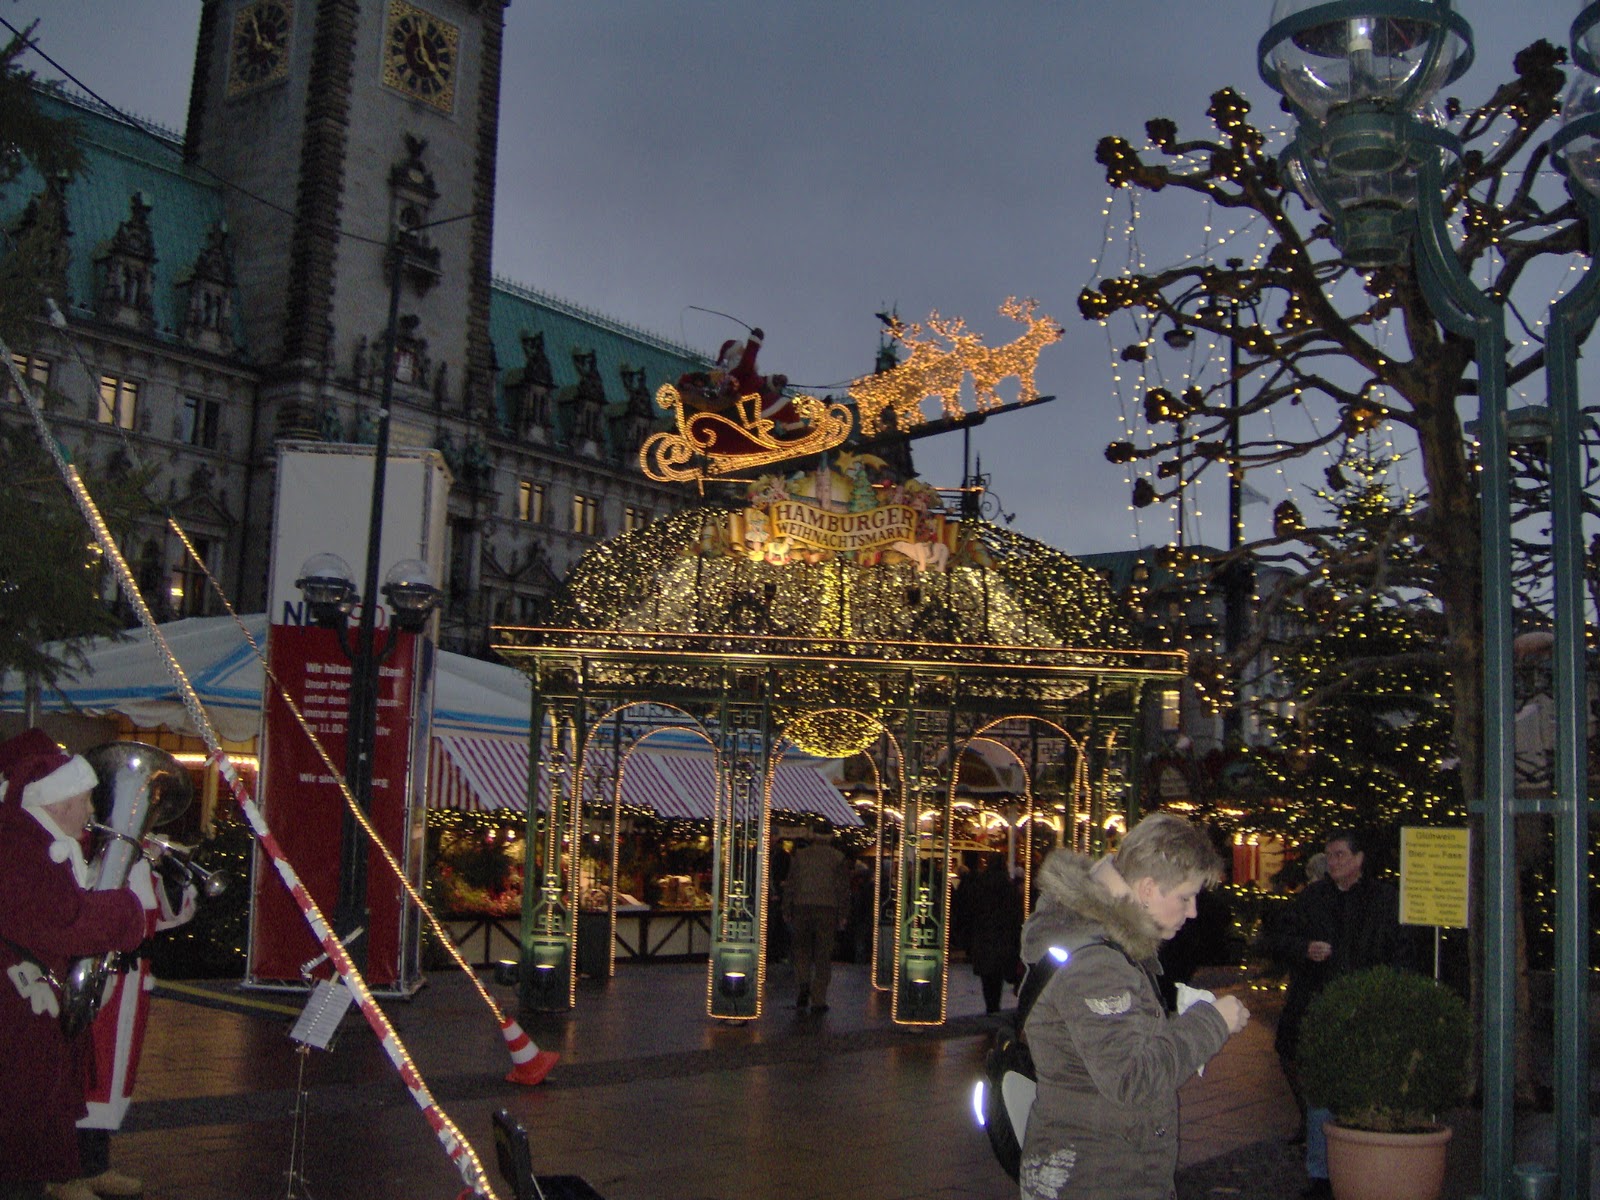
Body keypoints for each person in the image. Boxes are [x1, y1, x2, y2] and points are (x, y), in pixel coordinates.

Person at [1017, 811, 1250, 1200]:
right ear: (1146, 889)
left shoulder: (1097, 934)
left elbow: (1114, 1041)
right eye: (1185, 897)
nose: (1192, 912)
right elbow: (1131, 1078)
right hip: (1099, 1174)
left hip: (1094, 1162)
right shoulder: (1097, 962)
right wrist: (1212, 1023)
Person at [0, 729, 147, 1199]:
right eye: (83, 801)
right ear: (56, 801)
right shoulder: (19, 850)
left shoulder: (42, 846)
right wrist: (125, 911)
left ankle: (53, 1177)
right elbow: (67, 922)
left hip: (33, 1008)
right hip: (17, 1007)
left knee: (36, 1111)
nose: (89, 812)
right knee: (20, 1120)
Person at [1265, 830, 1415, 1198]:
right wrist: (1305, 949)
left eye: (1341, 855)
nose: (1334, 863)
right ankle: (1321, 1174)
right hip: (1321, 1007)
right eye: (1329, 856)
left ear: (1360, 858)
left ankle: (1359, 1169)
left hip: (1367, 1008)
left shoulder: (1383, 900)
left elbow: (1402, 951)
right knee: (1321, 1093)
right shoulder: (1313, 899)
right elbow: (1277, 939)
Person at [70, 838, 199, 1200]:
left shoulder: (141, 862)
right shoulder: (100, 850)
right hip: (103, 978)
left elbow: (174, 916)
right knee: (89, 1071)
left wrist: (169, 872)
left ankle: (95, 1165)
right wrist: (125, 860)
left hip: (133, 982)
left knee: (115, 1075)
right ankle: (66, 1173)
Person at [781, 821, 850, 1012]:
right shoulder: (838, 858)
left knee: (801, 949)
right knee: (823, 953)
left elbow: (791, 884)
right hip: (828, 908)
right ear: (830, 837)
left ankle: (803, 982)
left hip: (801, 907)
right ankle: (818, 999)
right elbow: (843, 889)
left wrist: (787, 908)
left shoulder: (800, 857)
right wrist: (843, 914)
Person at [963, 855, 1023, 1014]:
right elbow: (1016, 915)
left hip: (984, 937)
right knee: (997, 977)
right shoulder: (1008, 887)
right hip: (1003, 938)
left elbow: (970, 911)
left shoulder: (980, 885)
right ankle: (994, 1007)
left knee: (987, 979)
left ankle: (991, 1007)